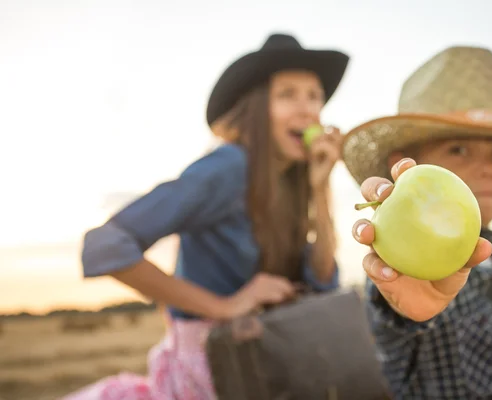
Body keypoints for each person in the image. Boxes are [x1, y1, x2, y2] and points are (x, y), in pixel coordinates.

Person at [63, 33, 349, 400]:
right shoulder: (229, 165)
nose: (308, 109)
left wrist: (321, 189)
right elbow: (105, 246)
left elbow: (323, 285)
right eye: (287, 94)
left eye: (314, 96)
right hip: (209, 374)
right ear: (256, 107)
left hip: (264, 370)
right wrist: (225, 307)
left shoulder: (292, 183)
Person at [342, 45, 492, 399]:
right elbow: (397, 310)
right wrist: (403, 288)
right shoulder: (401, 259)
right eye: (458, 149)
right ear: (407, 164)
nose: (488, 166)